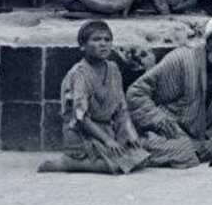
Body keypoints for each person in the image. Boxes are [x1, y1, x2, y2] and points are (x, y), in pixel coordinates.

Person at [126, 13, 212, 168]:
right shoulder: (181, 59)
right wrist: (158, 120)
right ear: (209, 42)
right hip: (162, 134)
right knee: (185, 152)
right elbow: (136, 92)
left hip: (196, 139)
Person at [38, 19, 149, 175]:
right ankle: (70, 162)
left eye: (107, 40)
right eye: (96, 40)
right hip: (82, 133)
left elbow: (121, 108)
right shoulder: (79, 74)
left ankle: (102, 156)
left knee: (140, 158)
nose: (103, 44)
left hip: (106, 129)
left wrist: (130, 132)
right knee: (118, 166)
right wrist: (107, 140)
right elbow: (81, 117)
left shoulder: (113, 69)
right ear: (83, 45)